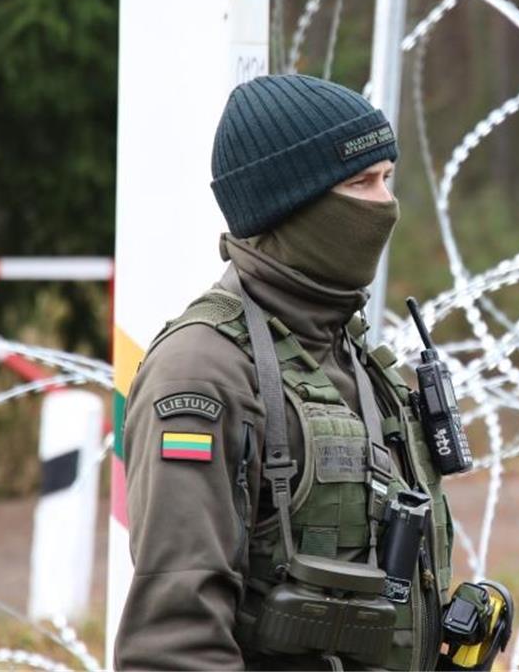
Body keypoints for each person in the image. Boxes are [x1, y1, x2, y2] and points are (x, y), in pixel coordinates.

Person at [114, 74, 455, 671]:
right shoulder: (204, 373)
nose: (386, 206)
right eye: (361, 183)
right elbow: (174, 645)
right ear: (291, 203)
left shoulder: (349, 354)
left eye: (387, 180)